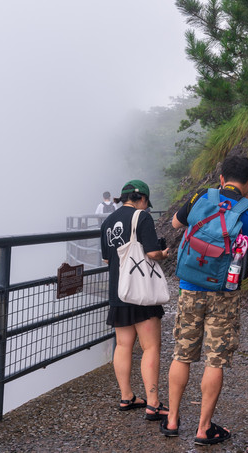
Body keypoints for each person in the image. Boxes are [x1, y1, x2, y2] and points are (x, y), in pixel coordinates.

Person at [161, 155, 248, 445]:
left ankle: (171, 421)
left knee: (181, 353)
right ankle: (203, 428)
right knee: (215, 359)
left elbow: (175, 223)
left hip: (190, 285)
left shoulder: (200, 196)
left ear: (221, 179)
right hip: (225, 291)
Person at [100, 179, 171, 421]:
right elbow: (152, 253)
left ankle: (127, 396)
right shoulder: (142, 217)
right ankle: (153, 403)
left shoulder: (108, 221)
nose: (147, 207)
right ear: (141, 199)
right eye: (146, 203)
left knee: (123, 345)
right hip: (141, 293)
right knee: (150, 347)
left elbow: (107, 260)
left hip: (118, 291)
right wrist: (164, 253)